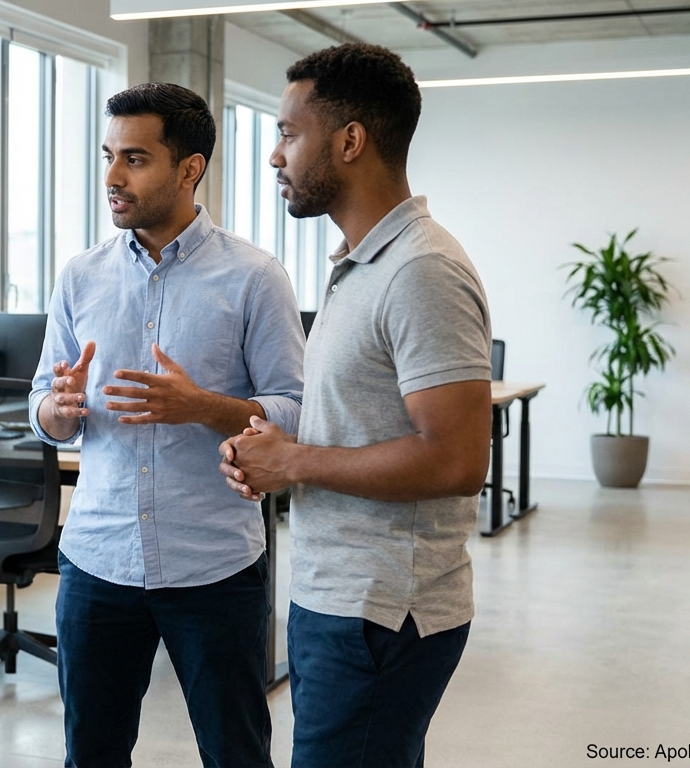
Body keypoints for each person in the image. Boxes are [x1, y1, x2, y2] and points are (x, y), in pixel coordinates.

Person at [219, 43, 492, 768]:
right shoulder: (361, 264)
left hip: (379, 610)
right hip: (338, 595)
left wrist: (296, 460)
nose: (275, 155)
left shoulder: (421, 269)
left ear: (349, 140)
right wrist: (267, 446)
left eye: (287, 132)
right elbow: (353, 418)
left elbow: (458, 459)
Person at [30, 82, 306, 768]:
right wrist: (57, 411)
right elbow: (42, 406)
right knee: (90, 755)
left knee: (235, 753)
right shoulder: (80, 276)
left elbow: (297, 414)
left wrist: (203, 407)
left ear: (190, 168)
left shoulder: (254, 278)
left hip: (214, 565)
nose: (112, 178)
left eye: (135, 159)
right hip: (98, 561)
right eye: (108, 156)